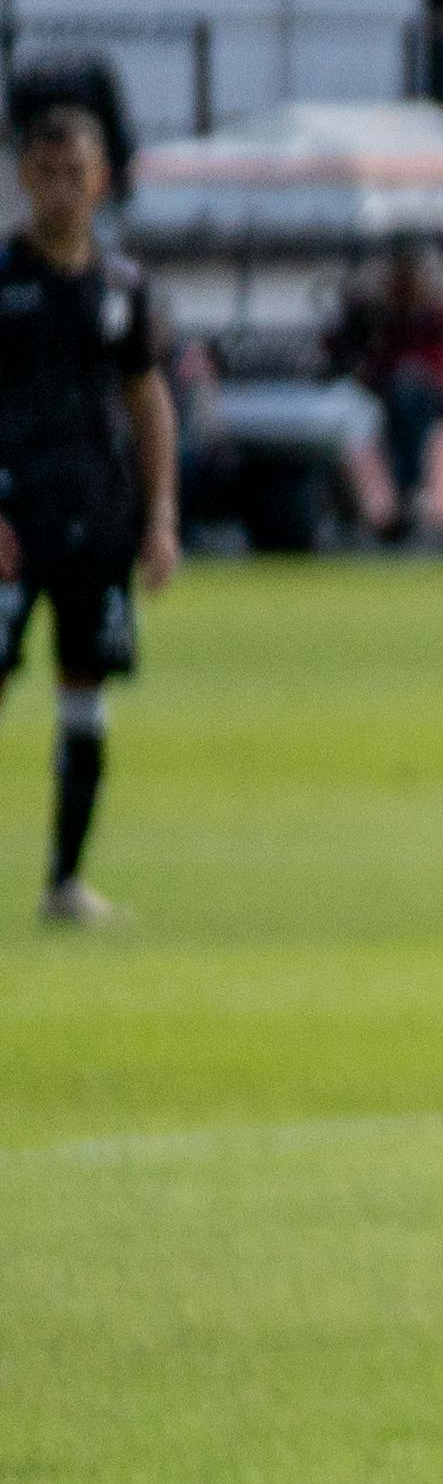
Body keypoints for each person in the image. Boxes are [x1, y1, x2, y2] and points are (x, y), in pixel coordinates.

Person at [0, 97, 174, 927]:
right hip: (9, 521)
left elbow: (148, 401)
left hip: (98, 521)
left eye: (78, 173)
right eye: (48, 173)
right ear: (24, 178)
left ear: (102, 180)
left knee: (85, 693)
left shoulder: (123, 287)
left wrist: (162, 512)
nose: (64, 189)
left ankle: (65, 885)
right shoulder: (3, 280)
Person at [322, 247, 443, 549]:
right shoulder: (382, 320)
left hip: (437, 400)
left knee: (410, 392)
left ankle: (412, 489)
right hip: (383, 401)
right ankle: (368, 502)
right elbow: (349, 359)